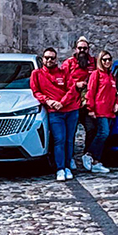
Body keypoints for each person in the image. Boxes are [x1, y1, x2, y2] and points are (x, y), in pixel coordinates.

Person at [30, 47, 80, 181]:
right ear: (43, 59)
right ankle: (60, 168)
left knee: (69, 140)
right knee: (59, 139)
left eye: (52, 58)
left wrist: (62, 103)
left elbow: (72, 90)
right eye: (47, 58)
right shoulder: (37, 74)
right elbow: (36, 92)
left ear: (56, 59)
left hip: (70, 110)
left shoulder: (64, 72)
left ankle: (68, 166)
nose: (50, 60)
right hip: (55, 112)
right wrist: (49, 101)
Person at [63, 37, 95, 170]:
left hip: (88, 103)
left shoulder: (93, 62)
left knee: (91, 129)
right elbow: (62, 81)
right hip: (73, 103)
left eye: (84, 48)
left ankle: (87, 155)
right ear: (75, 49)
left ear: (88, 49)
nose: (82, 51)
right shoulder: (68, 64)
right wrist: (76, 84)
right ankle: (69, 157)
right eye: (80, 48)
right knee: (71, 132)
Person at [85, 50, 118, 174]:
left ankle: (96, 161)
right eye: (104, 59)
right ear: (100, 61)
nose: (107, 62)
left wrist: (116, 103)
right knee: (103, 133)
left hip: (110, 111)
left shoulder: (111, 76)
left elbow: (115, 93)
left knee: (105, 135)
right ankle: (89, 154)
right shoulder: (96, 74)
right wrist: (91, 108)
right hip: (100, 110)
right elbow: (90, 92)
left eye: (109, 59)